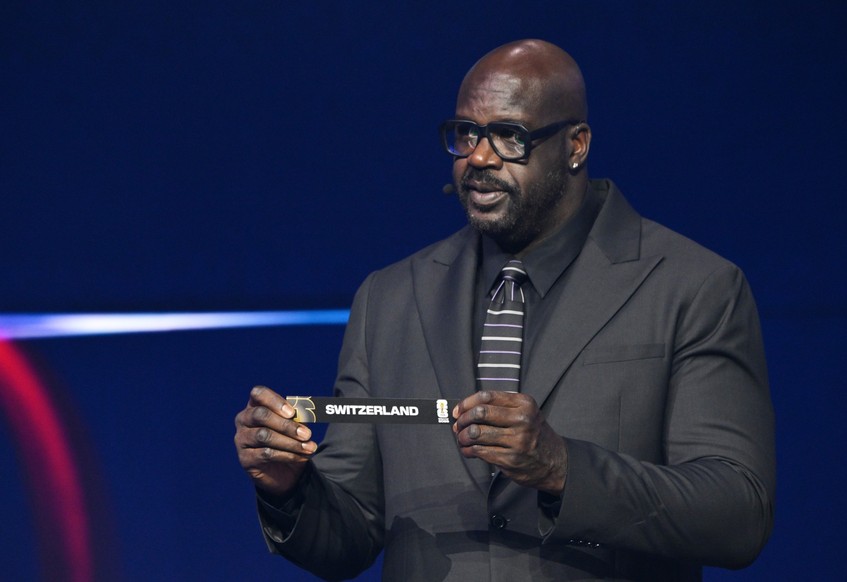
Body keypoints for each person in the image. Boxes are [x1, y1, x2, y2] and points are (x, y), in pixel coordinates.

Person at [234, 39, 775, 581]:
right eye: (466, 134)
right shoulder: (390, 298)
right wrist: (289, 488)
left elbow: (737, 513)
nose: (479, 157)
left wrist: (564, 469)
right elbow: (350, 535)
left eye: (509, 136)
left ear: (576, 145)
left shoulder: (692, 286)